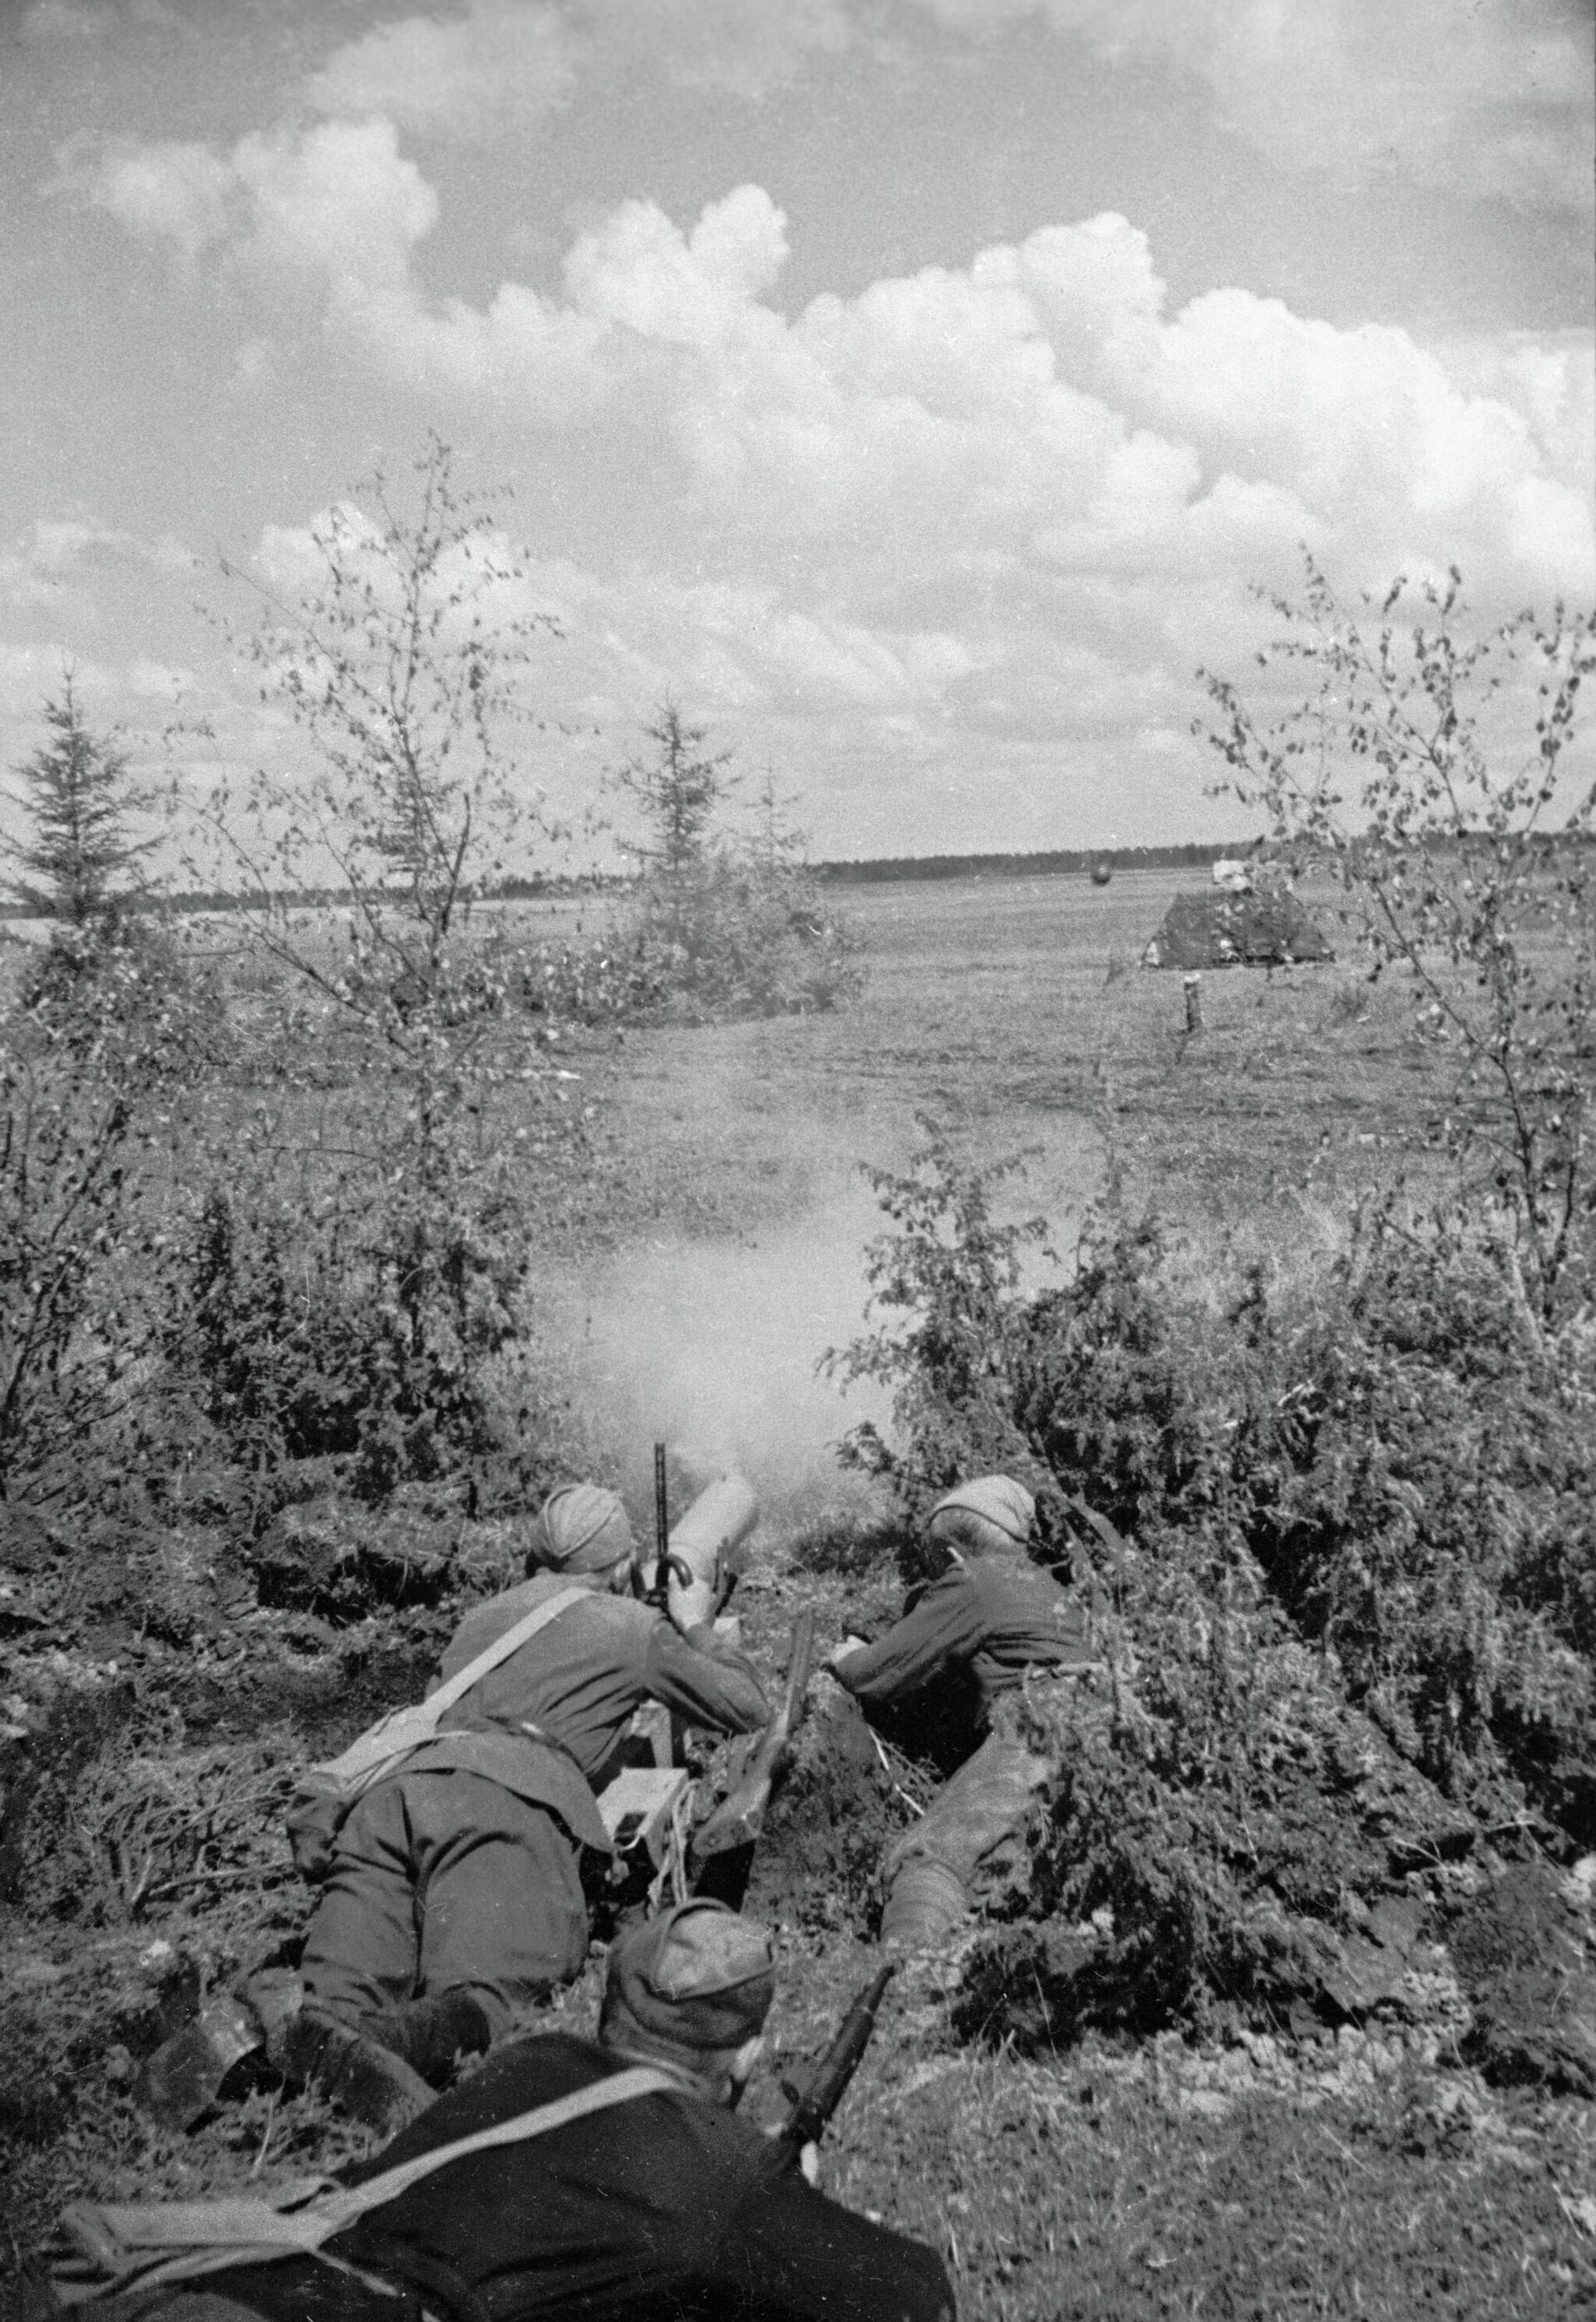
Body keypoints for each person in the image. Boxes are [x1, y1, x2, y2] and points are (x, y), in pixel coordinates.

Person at [58, 1903, 954, 2322]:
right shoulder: (728, 2178)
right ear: (752, 2057)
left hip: (232, 2293)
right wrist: (783, 2200)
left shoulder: (527, 2062)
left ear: (606, 2009)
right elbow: (916, 2297)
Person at [286, 1482, 771, 2125]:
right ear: (624, 1567)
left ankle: (270, 2030)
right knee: (489, 1995)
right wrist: (695, 1619)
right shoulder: (629, 1625)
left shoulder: (482, 1619)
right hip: (500, 1805)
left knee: (335, 1999)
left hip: (392, 1801)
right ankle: (394, 2063)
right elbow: (748, 1705)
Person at [825, 1475, 1100, 1947]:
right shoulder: (1043, 1585)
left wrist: (845, 1655)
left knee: (929, 1864)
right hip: (1093, 1717)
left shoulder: (975, 1578)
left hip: (1050, 1716)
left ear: (952, 1555)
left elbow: (875, 1675)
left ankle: (900, 1984)